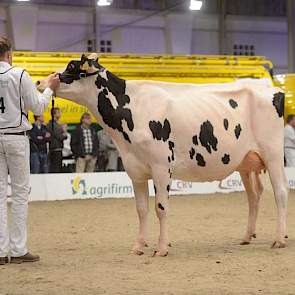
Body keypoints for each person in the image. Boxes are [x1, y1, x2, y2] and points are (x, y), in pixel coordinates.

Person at [0, 36, 60, 264]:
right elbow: (37, 106)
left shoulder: (19, 76)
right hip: (16, 138)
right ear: (9, 54)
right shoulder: (19, 74)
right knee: (19, 194)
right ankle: (18, 250)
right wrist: (49, 89)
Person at [47, 108, 67, 173]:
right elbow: (60, 137)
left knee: (58, 168)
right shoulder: (53, 124)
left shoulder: (57, 124)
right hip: (55, 149)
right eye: (58, 112)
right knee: (56, 169)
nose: (60, 114)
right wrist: (64, 131)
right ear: (54, 114)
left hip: (58, 149)